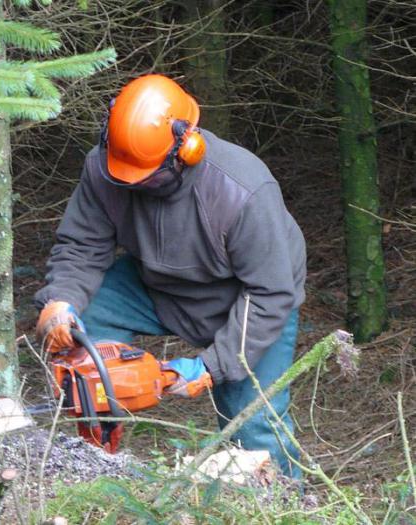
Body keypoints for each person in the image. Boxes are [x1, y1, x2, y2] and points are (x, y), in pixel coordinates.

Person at [34, 74, 306, 478]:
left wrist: (211, 366)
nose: (135, 185)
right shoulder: (106, 166)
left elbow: (271, 293)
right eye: (126, 176)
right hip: (153, 283)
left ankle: (286, 507)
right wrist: (60, 300)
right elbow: (81, 245)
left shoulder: (243, 190)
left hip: (246, 302)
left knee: (253, 425)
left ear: (188, 149)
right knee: (89, 321)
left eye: (148, 176)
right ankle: (93, 455)